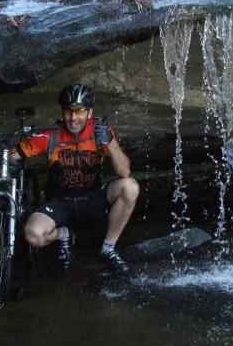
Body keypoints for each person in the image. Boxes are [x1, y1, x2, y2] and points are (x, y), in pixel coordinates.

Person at [10, 84, 139, 272]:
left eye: (79, 111)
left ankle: (108, 249)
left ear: (89, 112)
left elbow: (124, 172)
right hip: (59, 202)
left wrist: (110, 143)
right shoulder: (49, 136)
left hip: (92, 198)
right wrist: (3, 154)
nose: (73, 117)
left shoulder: (100, 132)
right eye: (69, 111)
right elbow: (13, 155)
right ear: (62, 112)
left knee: (130, 186)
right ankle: (64, 235)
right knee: (33, 235)